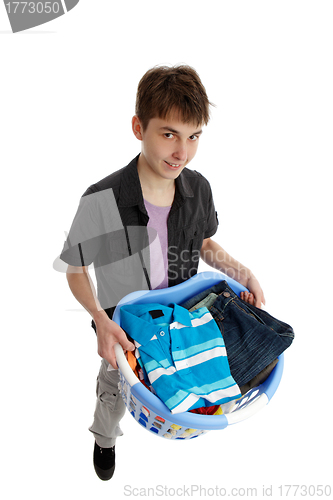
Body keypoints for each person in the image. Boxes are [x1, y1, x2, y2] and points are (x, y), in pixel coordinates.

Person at [59, 65, 265, 481]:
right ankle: (104, 439)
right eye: (168, 134)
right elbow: (76, 270)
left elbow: (205, 244)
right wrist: (100, 320)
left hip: (183, 318)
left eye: (194, 137)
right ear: (139, 127)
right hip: (126, 332)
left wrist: (243, 273)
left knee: (211, 372)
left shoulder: (199, 188)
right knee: (113, 392)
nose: (181, 152)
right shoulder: (100, 199)